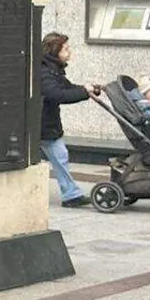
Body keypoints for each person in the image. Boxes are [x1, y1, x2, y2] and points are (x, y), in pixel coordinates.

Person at [38, 32, 100, 208]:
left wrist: (86, 89)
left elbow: (67, 87)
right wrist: (83, 92)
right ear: (54, 50)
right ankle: (71, 194)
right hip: (41, 124)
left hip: (46, 124)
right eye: (65, 49)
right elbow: (57, 94)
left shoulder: (52, 69)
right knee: (58, 157)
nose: (69, 51)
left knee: (60, 156)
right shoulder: (45, 72)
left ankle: (71, 194)